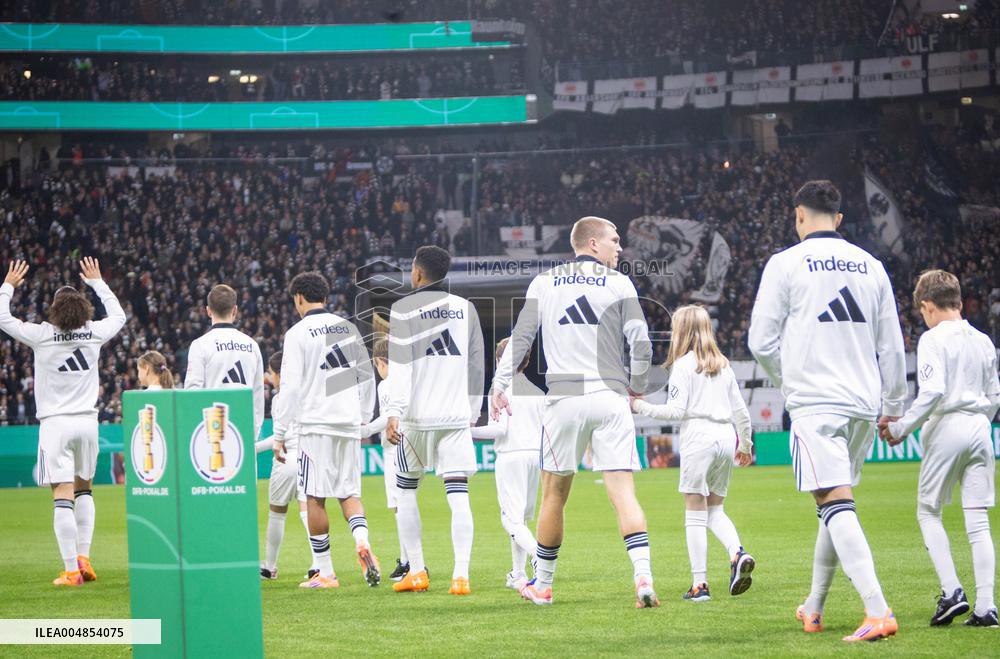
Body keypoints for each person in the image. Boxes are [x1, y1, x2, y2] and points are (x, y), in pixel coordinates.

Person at [748, 180, 907, 642]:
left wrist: (789, 381)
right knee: (833, 504)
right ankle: (813, 608)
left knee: (834, 502)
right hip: (862, 403)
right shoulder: (871, 265)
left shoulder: (785, 263)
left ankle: (878, 611)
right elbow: (892, 345)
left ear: (799, 216)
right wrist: (893, 406)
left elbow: (760, 341)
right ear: (838, 220)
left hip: (817, 402)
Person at [489, 216, 657, 608]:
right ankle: (643, 577)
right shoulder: (619, 283)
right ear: (593, 243)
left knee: (554, 496)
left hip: (565, 399)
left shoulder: (544, 283)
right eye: (615, 240)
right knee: (623, 494)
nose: (620, 247)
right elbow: (642, 341)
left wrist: (498, 385)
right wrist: (639, 384)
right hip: (610, 396)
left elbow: (521, 338)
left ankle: (543, 586)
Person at [880, 270, 999, 627]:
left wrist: (901, 428)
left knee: (928, 512)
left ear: (927, 306)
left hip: (948, 426)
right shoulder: (983, 340)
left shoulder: (933, 339)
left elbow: (931, 392)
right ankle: (986, 607)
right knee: (978, 523)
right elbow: (995, 396)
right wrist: (980, 420)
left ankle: (952, 592)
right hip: (981, 428)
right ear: (959, 302)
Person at [0, 258, 126, 586]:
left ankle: (71, 571)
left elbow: (3, 318)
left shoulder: (42, 335)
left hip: (56, 424)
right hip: (88, 423)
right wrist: (98, 282)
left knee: (62, 494)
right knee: (85, 489)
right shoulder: (93, 332)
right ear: (83, 307)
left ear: (55, 311)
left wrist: (9, 285)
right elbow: (120, 317)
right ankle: (84, 558)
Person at [630, 305, 755, 602]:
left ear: (681, 331)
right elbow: (742, 413)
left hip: (699, 436)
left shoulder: (684, 366)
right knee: (716, 510)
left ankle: (700, 585)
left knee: (695, 513)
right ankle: (737, 553)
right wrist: (745, 445)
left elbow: (675, 411)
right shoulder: (724, 364)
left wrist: (638, 406)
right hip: (726, 436)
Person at [384, 245, 484, 596]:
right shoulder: (466, 309)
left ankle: (417, 570)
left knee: (406, 491)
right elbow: (476, 364)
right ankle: (460, 576)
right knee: (459, 496)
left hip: (416, 418)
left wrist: (393, 411)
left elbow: (400, 366)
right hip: (455, 418)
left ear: (417, 273)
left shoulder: (403, 309)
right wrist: (471, 412)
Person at [274, 271, 379, 589]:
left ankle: (325, 571)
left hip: (315, 424)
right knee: (348, 493)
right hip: (347, 420)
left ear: (299, 298)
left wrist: (280, 432)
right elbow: (367, 375)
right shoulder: (346, 328)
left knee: (315, 497)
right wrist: (362, 418)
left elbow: (290, 387)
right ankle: (361, 541)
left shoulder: (298, 333)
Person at [471, 337, 544, 591]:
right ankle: (517, 574)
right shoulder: (537, 391)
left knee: (510, 520)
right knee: (521, 519)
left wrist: (468, 430)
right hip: (536, 457)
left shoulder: (500, 390)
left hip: (511, 456)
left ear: (502, 361)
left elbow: (499, 429)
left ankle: (538, 556)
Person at [259, 351, 317, 582]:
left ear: (280, 375)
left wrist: (251, 448)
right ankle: (318, 563)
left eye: (271, 373)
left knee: (277, 513)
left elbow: (277, 437)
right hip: (307, 457)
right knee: (308, 511)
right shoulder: (308, 393)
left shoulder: (280, 398)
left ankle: (270, 567)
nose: (270, 378)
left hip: (285, 459)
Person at [184, 284, 265, 441]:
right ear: (235, 310)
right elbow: (258, 394)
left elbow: (193, 393)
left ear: (208, 311)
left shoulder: (200, 345)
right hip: (244, 431)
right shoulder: (251, 345)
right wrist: (253, 435)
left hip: (212, 433)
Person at [359, 336, 411, 582]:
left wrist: (366, 430)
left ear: (380, 362)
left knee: (399, 507)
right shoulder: (409, 379)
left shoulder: (387, 383)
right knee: (407, 505)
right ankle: (412, 560)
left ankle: (408, 561)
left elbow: (389, 416)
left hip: (394, 449)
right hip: (410, 446)